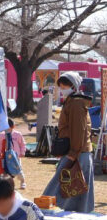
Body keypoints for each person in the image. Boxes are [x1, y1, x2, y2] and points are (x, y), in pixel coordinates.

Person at [43, 71, 95, 212]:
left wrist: (73, 153)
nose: (62, 88)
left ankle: (49, 218)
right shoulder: (72, 101)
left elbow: (79, 130)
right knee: (74, 193)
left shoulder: (77, 103)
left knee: (59, 190)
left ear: (73, 86)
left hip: (78, 154)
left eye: (65, 85)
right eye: (61, 85)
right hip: (78, 152)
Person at [0, 118, 27, 189]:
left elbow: (22, 144)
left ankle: (22, 182)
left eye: (11, 127)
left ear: (13, 126)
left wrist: (22, 152)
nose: (9, 129)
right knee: (5, 170)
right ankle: (7, 184)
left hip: (16, 156)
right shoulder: (2, 135)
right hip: (5, 157)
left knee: (18, 170)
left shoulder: (17, 134)